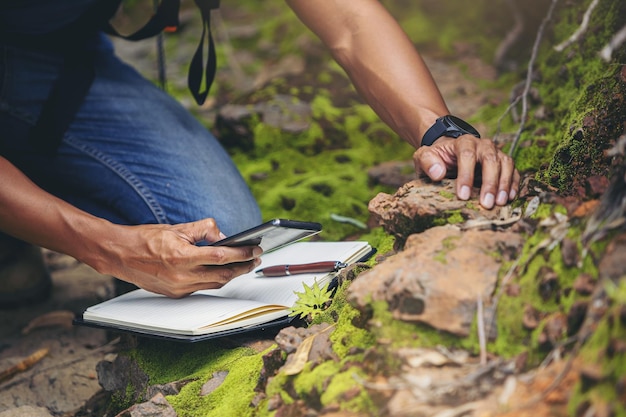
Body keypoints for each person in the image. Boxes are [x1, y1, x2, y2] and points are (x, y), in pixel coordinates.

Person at [0, 0, 519, 306]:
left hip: (59, 64)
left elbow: (349, 22)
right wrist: (106, 246)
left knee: (219, 259)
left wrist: (438, 130)